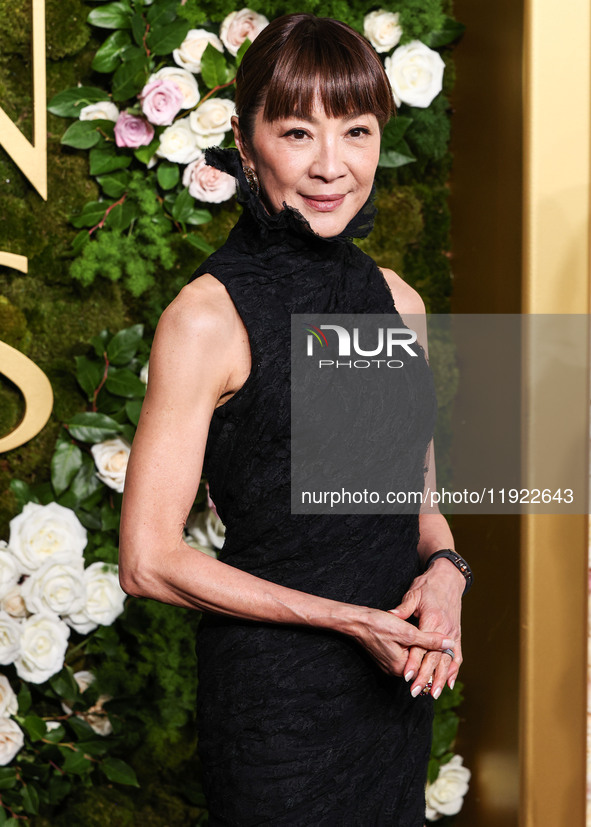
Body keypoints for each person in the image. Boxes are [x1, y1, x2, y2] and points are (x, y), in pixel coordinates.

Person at [119, 13, 470, 826]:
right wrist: (346, 619)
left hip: (389, 701)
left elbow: (411, 499)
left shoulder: (395, 301)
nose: (330, 166)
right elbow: (147, 558)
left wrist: (449, 568)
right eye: (296, 132)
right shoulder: (207, 318)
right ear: (244, 144)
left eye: (355, 130)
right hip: (278, 710)